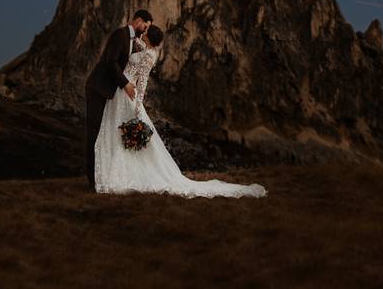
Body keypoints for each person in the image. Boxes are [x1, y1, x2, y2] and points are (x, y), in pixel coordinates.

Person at [93, 22, 267, 198]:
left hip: (129, 93)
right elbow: (136, 45)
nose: (142, 34)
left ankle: (124, 172)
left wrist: (138, 107)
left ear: (149, 37)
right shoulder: (144, 48)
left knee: (122, 131)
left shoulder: (149, 56)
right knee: (114, 130)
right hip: (121, 91)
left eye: (145, 32)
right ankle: (117, 169)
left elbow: (143, 81)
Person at [84, 8, 151, 187]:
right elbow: (110, 61)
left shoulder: (131, 40)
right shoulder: (119, 35)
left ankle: (99, 175)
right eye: (145, 25)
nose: (145, 29)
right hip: (97, 88)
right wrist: (125, 83)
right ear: (138, 21)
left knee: (102, 133)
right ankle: (92, 179)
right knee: (95, 133)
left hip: (107, 91)